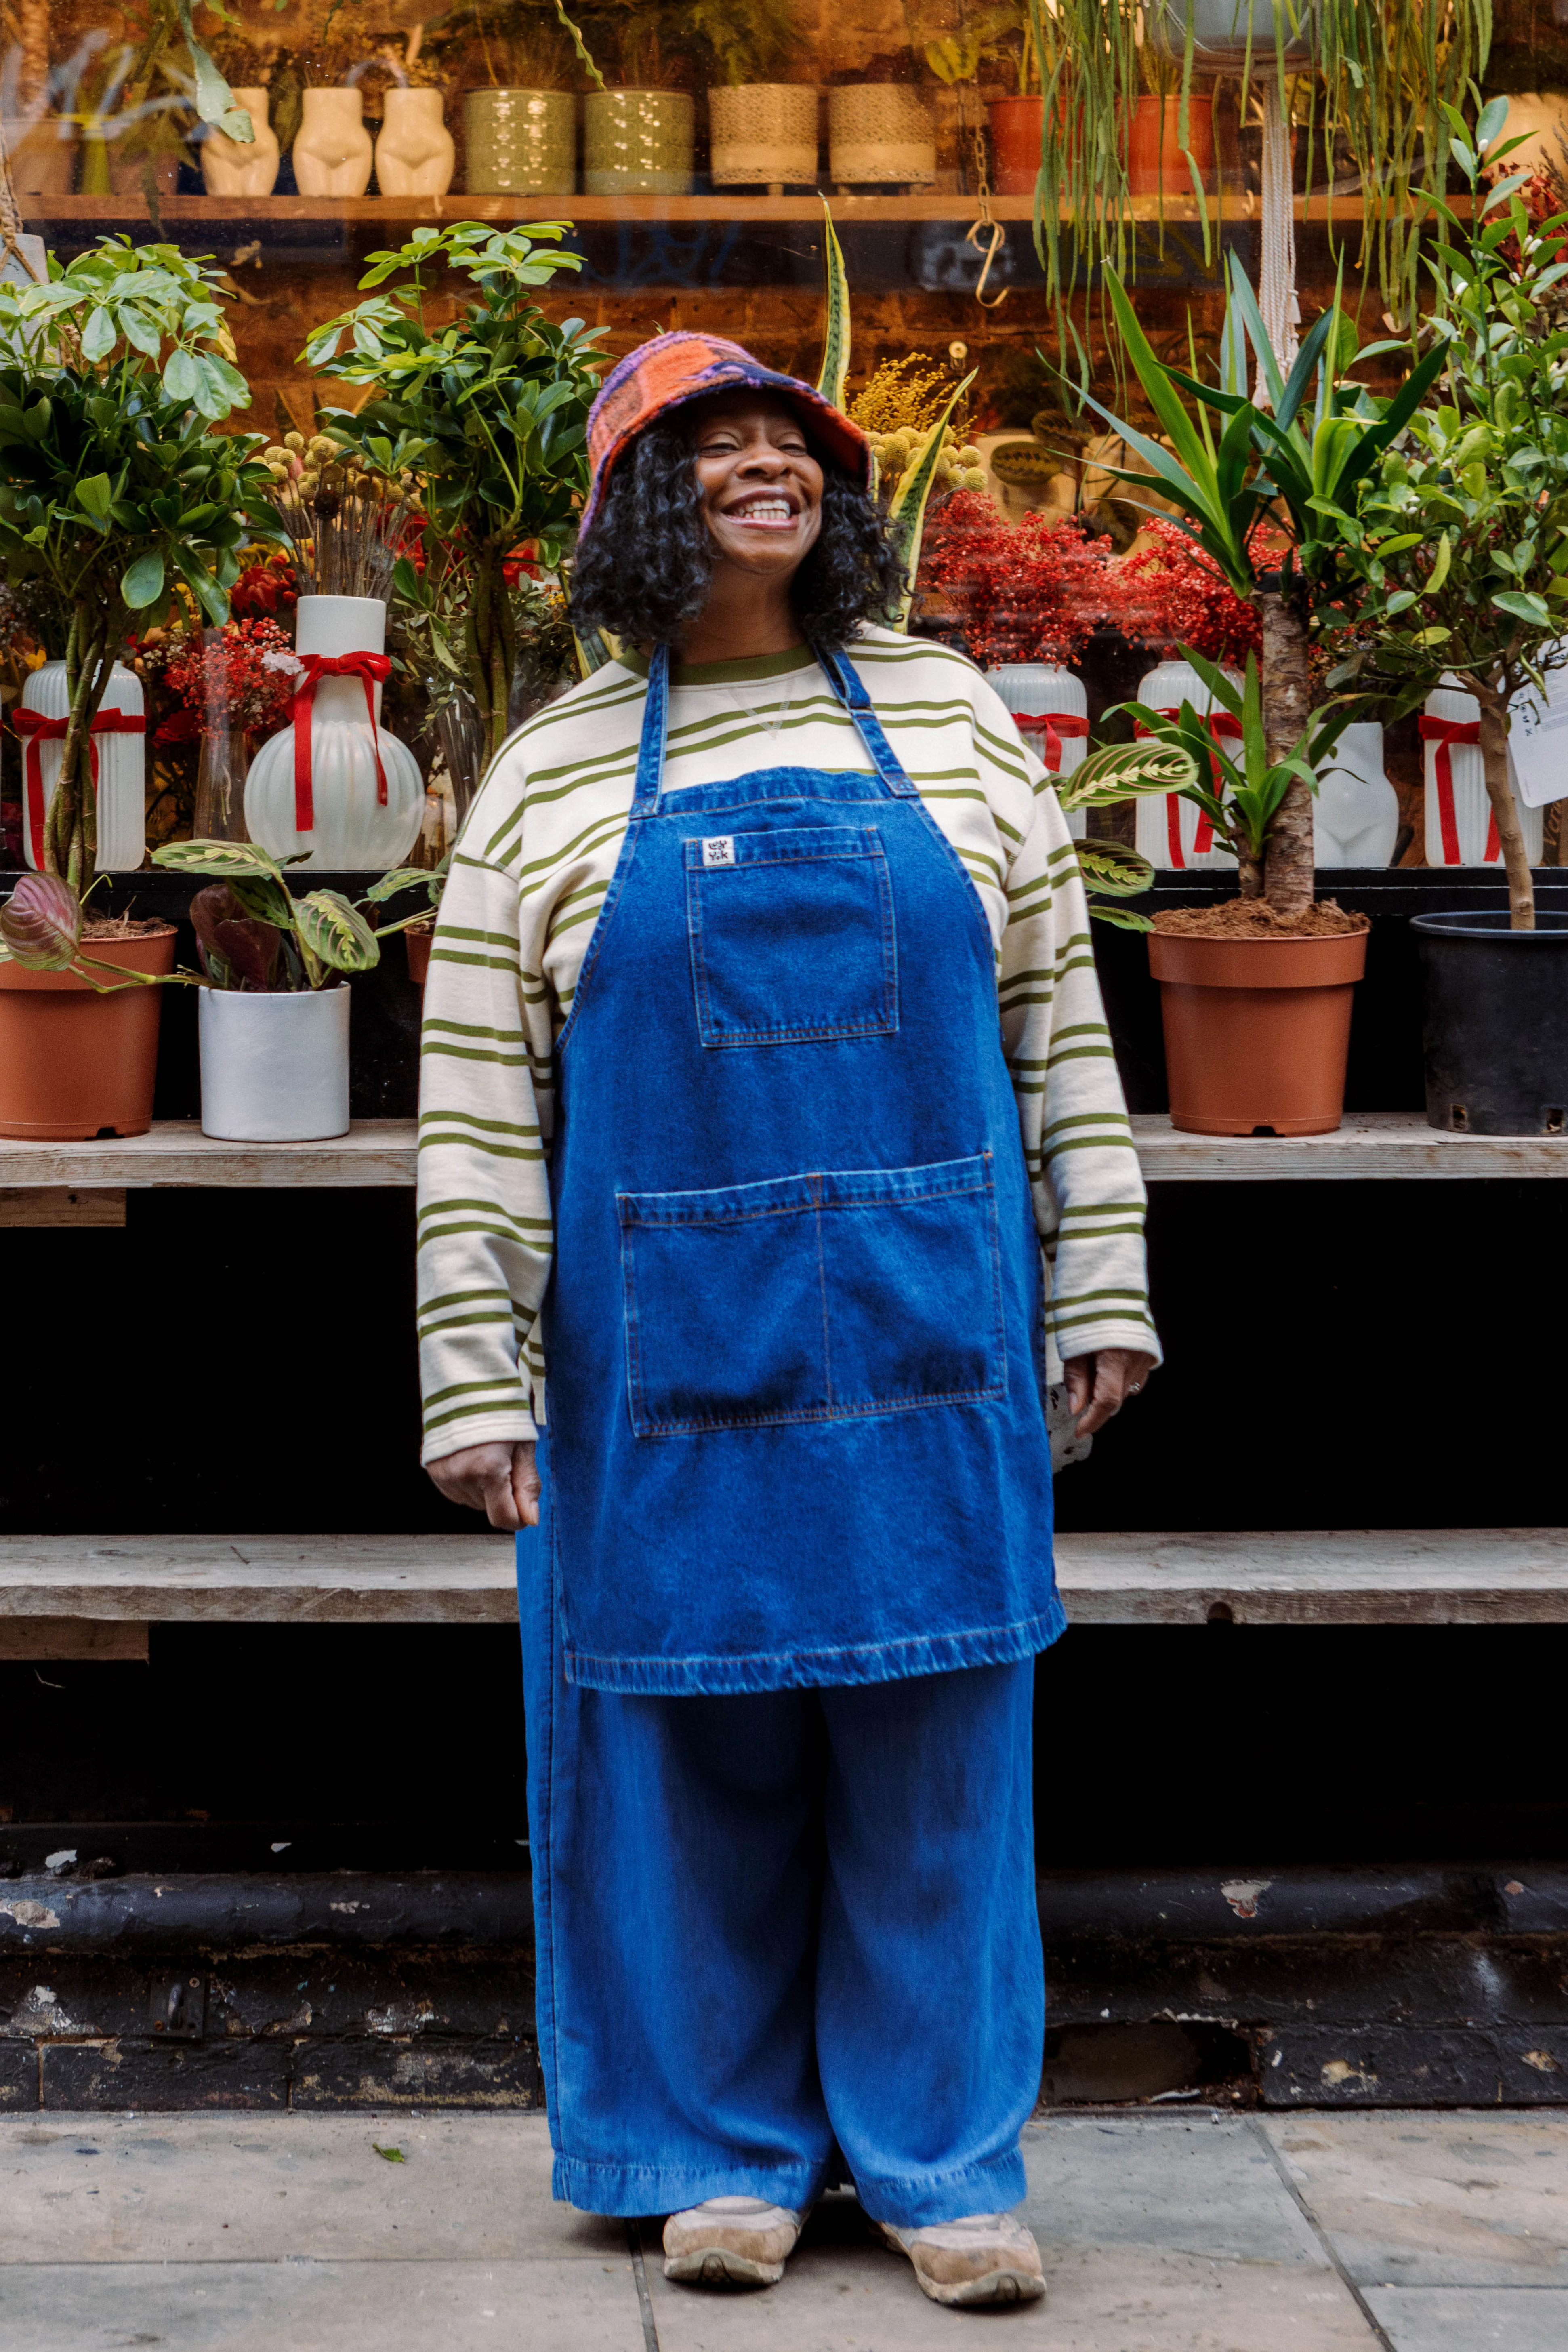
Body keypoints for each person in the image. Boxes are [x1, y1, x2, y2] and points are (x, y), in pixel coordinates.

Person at [417, 332, 1159, 2309]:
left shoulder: (947, 717)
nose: (769, 468)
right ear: (634, 514)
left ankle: (943, 2166)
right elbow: (479, 1101)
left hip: (933, 1336)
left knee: (941, 1761)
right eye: (716, 449)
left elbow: (1058, 1023)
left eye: (792, 444)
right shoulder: (556, 769)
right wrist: (473, 1378)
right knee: (676, 1765)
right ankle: (709, 2155)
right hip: (656, 1363)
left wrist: (1101, 1273)